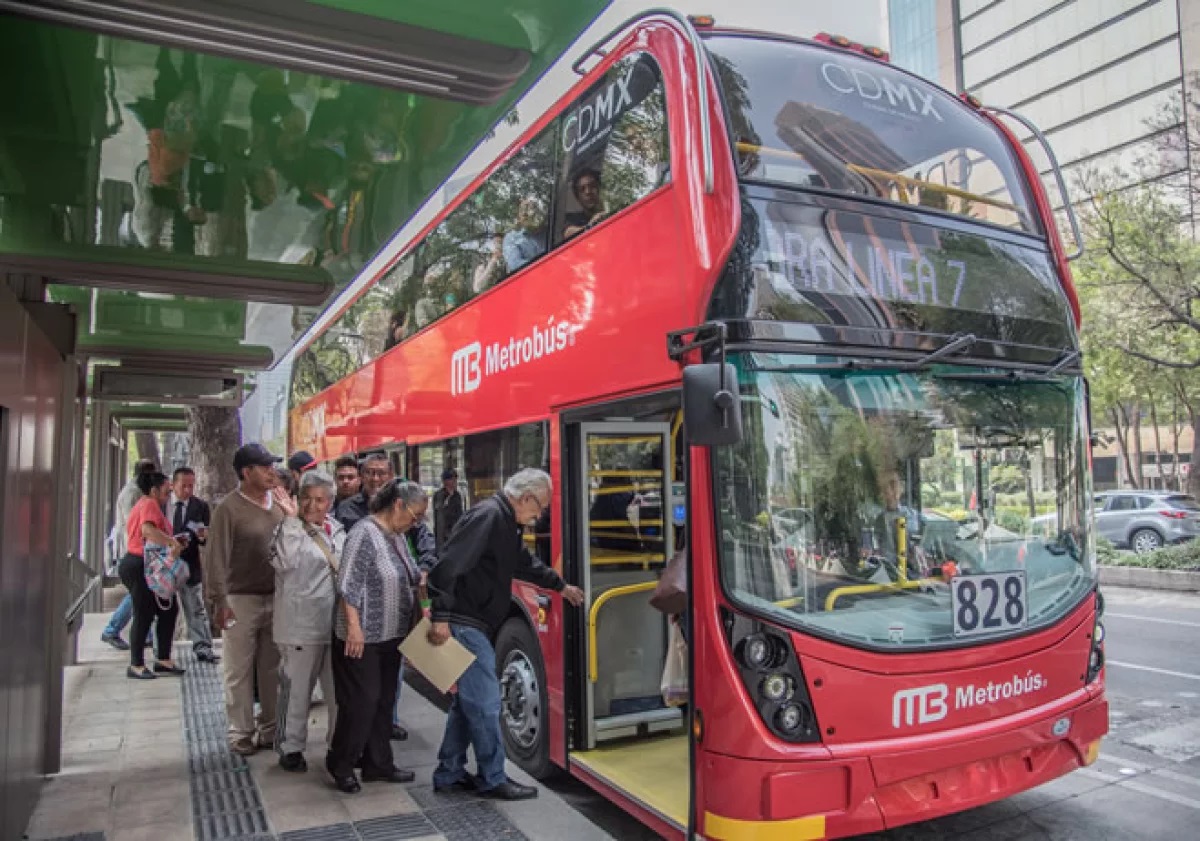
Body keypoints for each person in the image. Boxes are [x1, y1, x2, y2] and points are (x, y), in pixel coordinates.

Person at [428, 468, 584, 800]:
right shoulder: (489, 517)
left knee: (466, 703)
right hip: (465, 621)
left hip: (472, 621)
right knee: (485, 704)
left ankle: (449, 772)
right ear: (525, 497)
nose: (539, 515)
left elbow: (522, 563)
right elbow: (448, 564)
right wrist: (440, 615)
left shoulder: (503, 521)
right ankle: (492, 777)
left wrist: (561, 586)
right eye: (539, 507)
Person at [326, 480, 427, 793]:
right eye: (415, 514)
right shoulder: (364, 532)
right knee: (362, 701)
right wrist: (354, 626)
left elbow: (408, 576)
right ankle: (340, 762)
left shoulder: (395, 536)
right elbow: (348, 583)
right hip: (363, 636)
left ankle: (378, 763)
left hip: (391, 635)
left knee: (384, 700)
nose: (417, 521)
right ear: (398, 504)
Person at [207, 443, 286, 755]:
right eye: (265, 467)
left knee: (272, 668)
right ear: (246, 472)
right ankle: (240, 732)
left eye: (273, 466)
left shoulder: (279, 504)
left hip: (277, 597)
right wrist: (219, 600)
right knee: (238, 669)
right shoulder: (228, 509)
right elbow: (216, 558)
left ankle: (270, 729)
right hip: (240, 599)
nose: (272, 472)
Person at [270, 470, 345, 773]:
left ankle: (338, 744)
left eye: (321, 499)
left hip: (335, 624)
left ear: (330, 501)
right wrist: (289, 520)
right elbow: (284, 563)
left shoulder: (338, 530)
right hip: (299, 624)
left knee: (338, 692)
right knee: (297, 690)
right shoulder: (288, 529)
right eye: (306, 499)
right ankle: (290, 746)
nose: (313, 506)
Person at [117, 471, 186, 680]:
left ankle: (163, 658)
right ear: (154, 490)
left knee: (168, 610)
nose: (169, 494)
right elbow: (147, 531)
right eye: (166, 491)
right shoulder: (148, 504)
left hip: (152, 564)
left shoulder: (153, 505)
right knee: (144, 612)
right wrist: (171, 542)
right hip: (140, 564)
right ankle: (136, 663)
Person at [102, 459, 158, 650]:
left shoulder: (138, 493)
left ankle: (146, 633)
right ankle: (112, 629)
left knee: (143, 592)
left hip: (137, 549)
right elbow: (134, 525)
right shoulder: (133, 494)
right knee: (138, 592)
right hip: (134, 550)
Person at [167, 467, 218, 663]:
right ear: (173, 485)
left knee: (196, 608)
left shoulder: (200, 506)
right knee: (165, 609)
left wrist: (203, 536)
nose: (188, 490)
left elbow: (205, 536)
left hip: (190, 563)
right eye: (183, 486)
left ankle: (203, 646)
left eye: (191, 485)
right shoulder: (164, 505)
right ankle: (162, 649)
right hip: (167, 564)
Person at [502, 197, 547, 273]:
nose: (524, 214)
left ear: (537, 212)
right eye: (522, 211)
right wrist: (543, 267)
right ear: (518, 216)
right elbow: (515, 264)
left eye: (529, 209)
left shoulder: (550, 230)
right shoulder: (512, 238)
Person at [563, 169, 607, 239]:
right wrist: (590, 225)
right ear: (578, 198)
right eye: (582, 189)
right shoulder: (573, 219)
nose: (588, 192)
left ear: (599, 189)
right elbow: (568, 233)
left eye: (592, 186)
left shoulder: (612, 211)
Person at [432, 468, 465, 553]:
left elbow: (459, 514)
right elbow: (440, 515)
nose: (454, 482)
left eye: (455, 479)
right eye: (452, 479)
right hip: (442, 536)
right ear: (445, 481)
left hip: (455, 533)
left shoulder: (457, 495)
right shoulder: (439, 495)